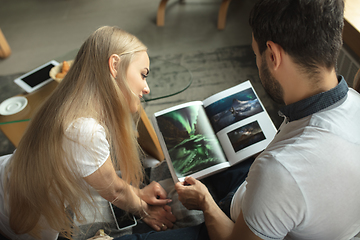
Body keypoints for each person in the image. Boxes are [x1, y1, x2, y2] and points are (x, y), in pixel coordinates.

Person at [115, 0, 360, 239]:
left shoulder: (279, 171)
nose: (256, 61)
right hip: (261, 197)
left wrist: (206, 204)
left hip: (241, 219)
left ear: (273, 55)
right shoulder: (354, 102)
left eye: (256, 54)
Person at [0, 26, 176, 240]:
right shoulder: (85, 131)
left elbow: (111, 183)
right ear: (114, 65)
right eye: (143, 74)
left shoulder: (69, 102)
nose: (146, 88)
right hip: (17, 216)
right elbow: (114, 191)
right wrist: (143, 208)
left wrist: (138, 194)